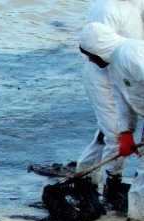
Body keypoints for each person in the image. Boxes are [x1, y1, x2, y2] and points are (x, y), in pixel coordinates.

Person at [76, 0, 143, 207]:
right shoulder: (106, 8)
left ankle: (99, 181)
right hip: (102, 77)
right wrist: (126, 132)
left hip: (128, 70)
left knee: (110, 136)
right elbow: (95, 42)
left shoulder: (136, 5)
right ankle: (103, 185)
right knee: (111, 133)